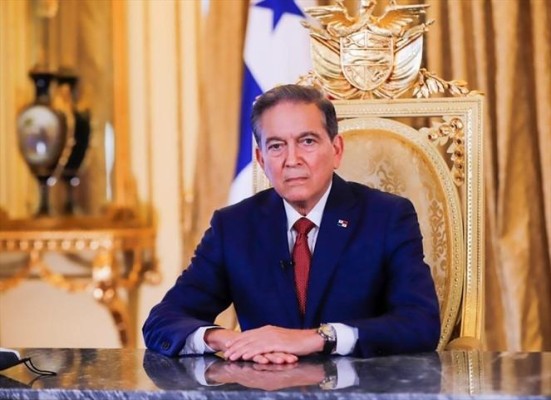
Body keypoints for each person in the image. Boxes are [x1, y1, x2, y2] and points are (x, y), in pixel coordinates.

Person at [143, 84, 440, 364]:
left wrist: (318, 339)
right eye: (276, 146)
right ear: (261, 159)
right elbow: (163, 320)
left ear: (336, 150)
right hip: (266, 388)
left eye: (307, 141)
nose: (292, 159)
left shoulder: (387, 216)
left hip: (362, 388)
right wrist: (228, 340)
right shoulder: (233, 226)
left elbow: (420, 323)